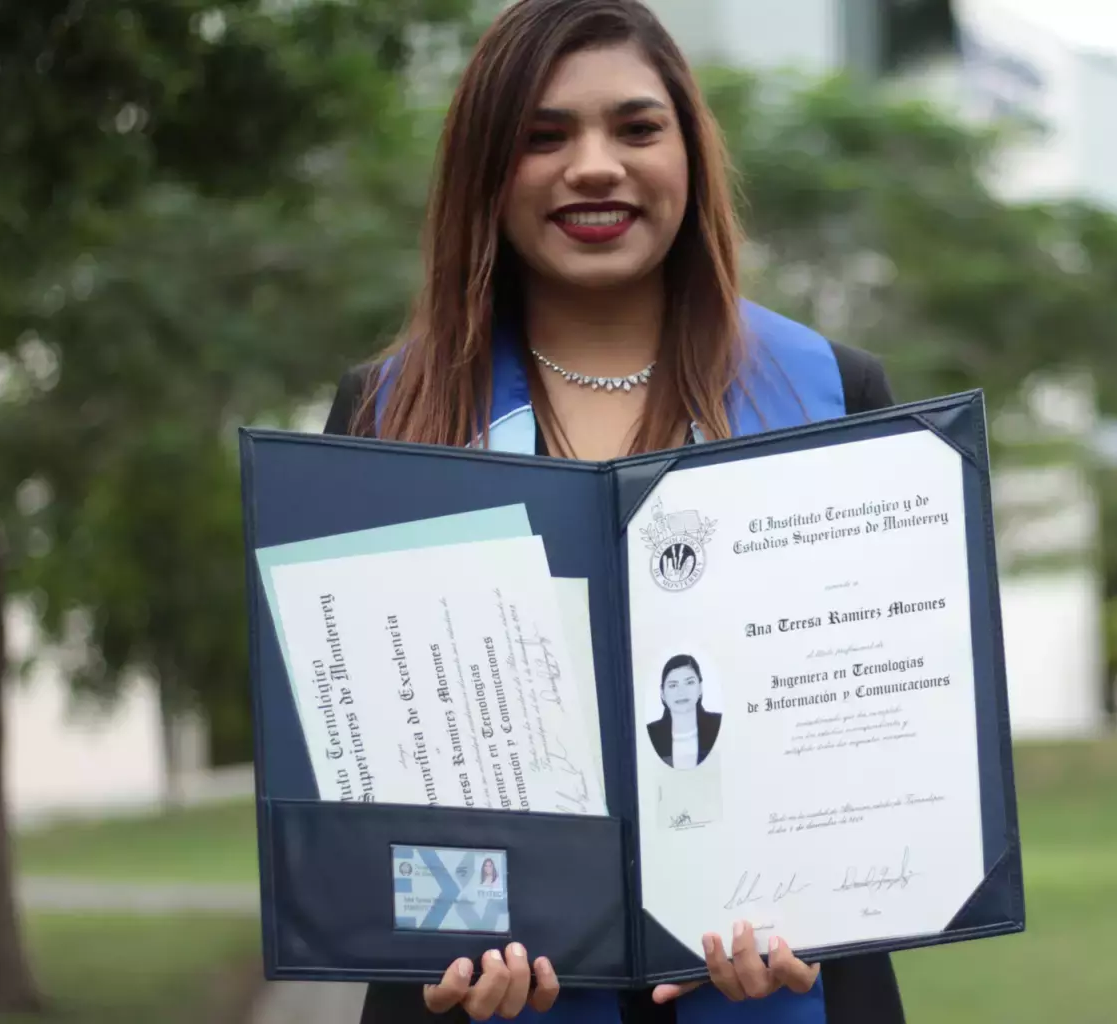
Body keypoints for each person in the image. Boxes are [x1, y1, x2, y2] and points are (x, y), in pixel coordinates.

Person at [319, 1, 906, 1021]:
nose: (594, 166)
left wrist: (832, 884)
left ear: (689, 153)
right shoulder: (389, 414)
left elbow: (880, 720)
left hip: (787, 980)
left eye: (637, 128)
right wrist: (434, 933)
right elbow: (355, 768)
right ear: (485, 171)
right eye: (544, 136)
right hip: (479, 993)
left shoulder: (831, 393)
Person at [645, 654, 720, 770]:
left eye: (689, 683)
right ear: (662, 693)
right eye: (673, 685)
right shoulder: (651, 733)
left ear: (700, 687)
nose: (681, 692)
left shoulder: (718, 725)